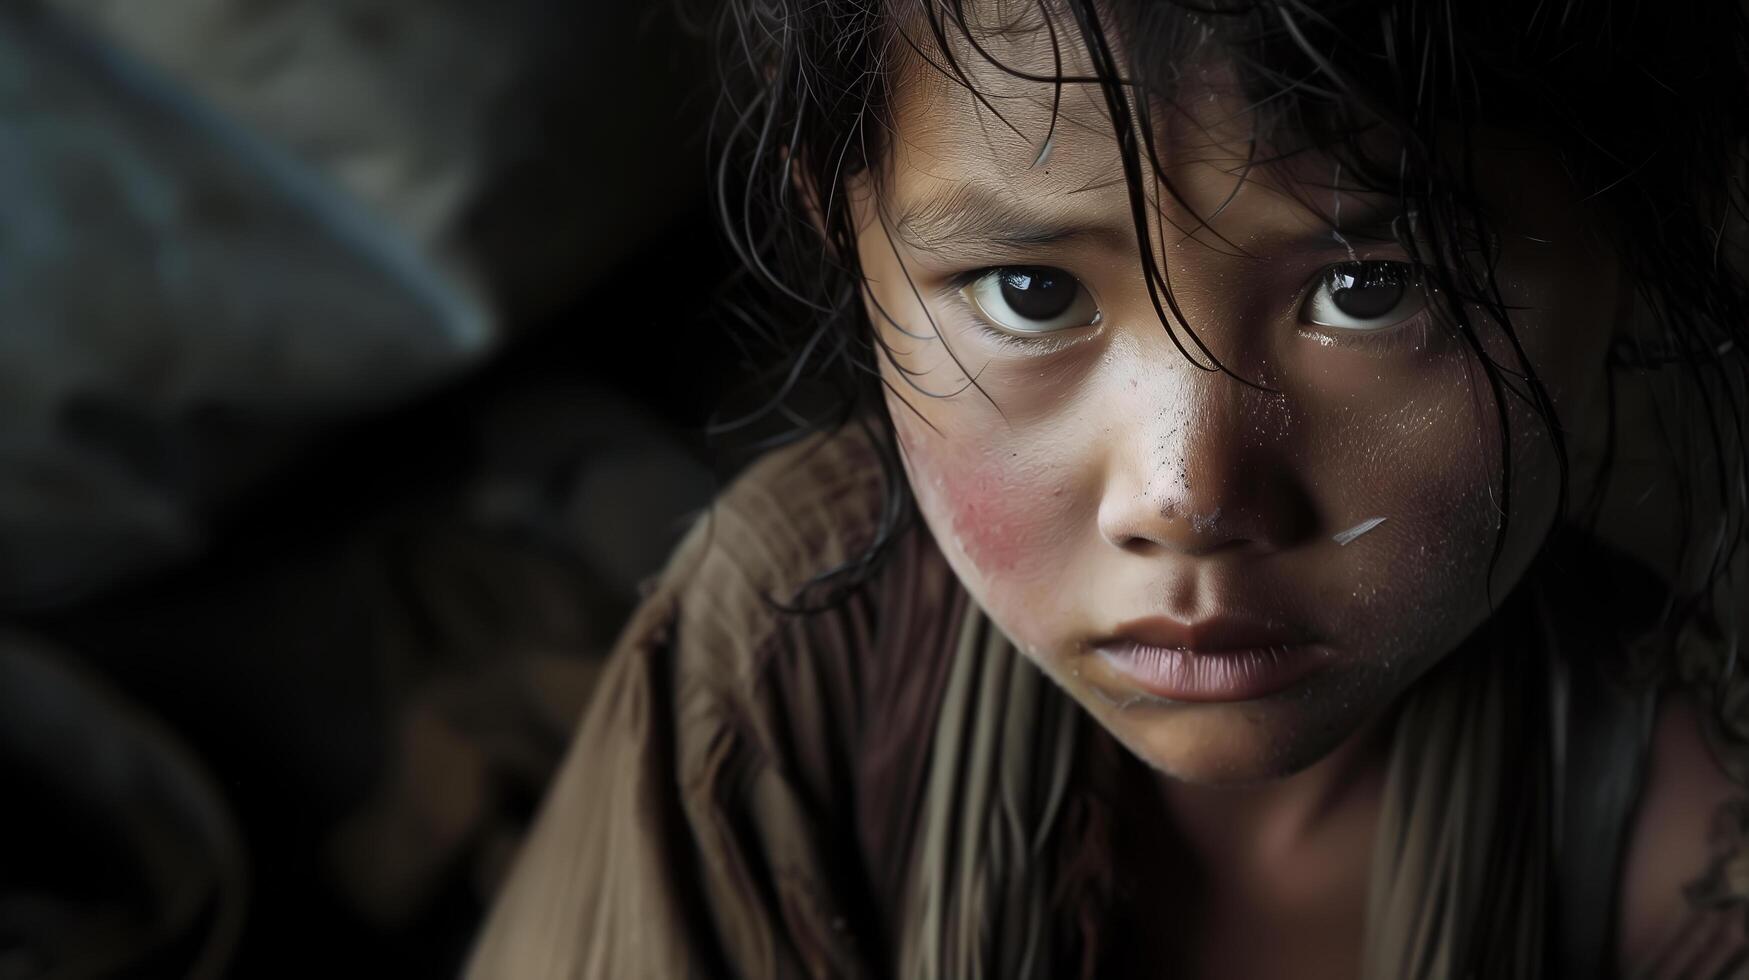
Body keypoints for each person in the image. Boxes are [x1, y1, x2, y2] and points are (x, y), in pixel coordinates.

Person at [467, 0, 1749, 976]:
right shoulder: (790, 659)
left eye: (1370, 288)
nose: (1184, 494)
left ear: (1633, 239)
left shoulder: (1697, 868)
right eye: (1033, 292)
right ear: (843, 230)